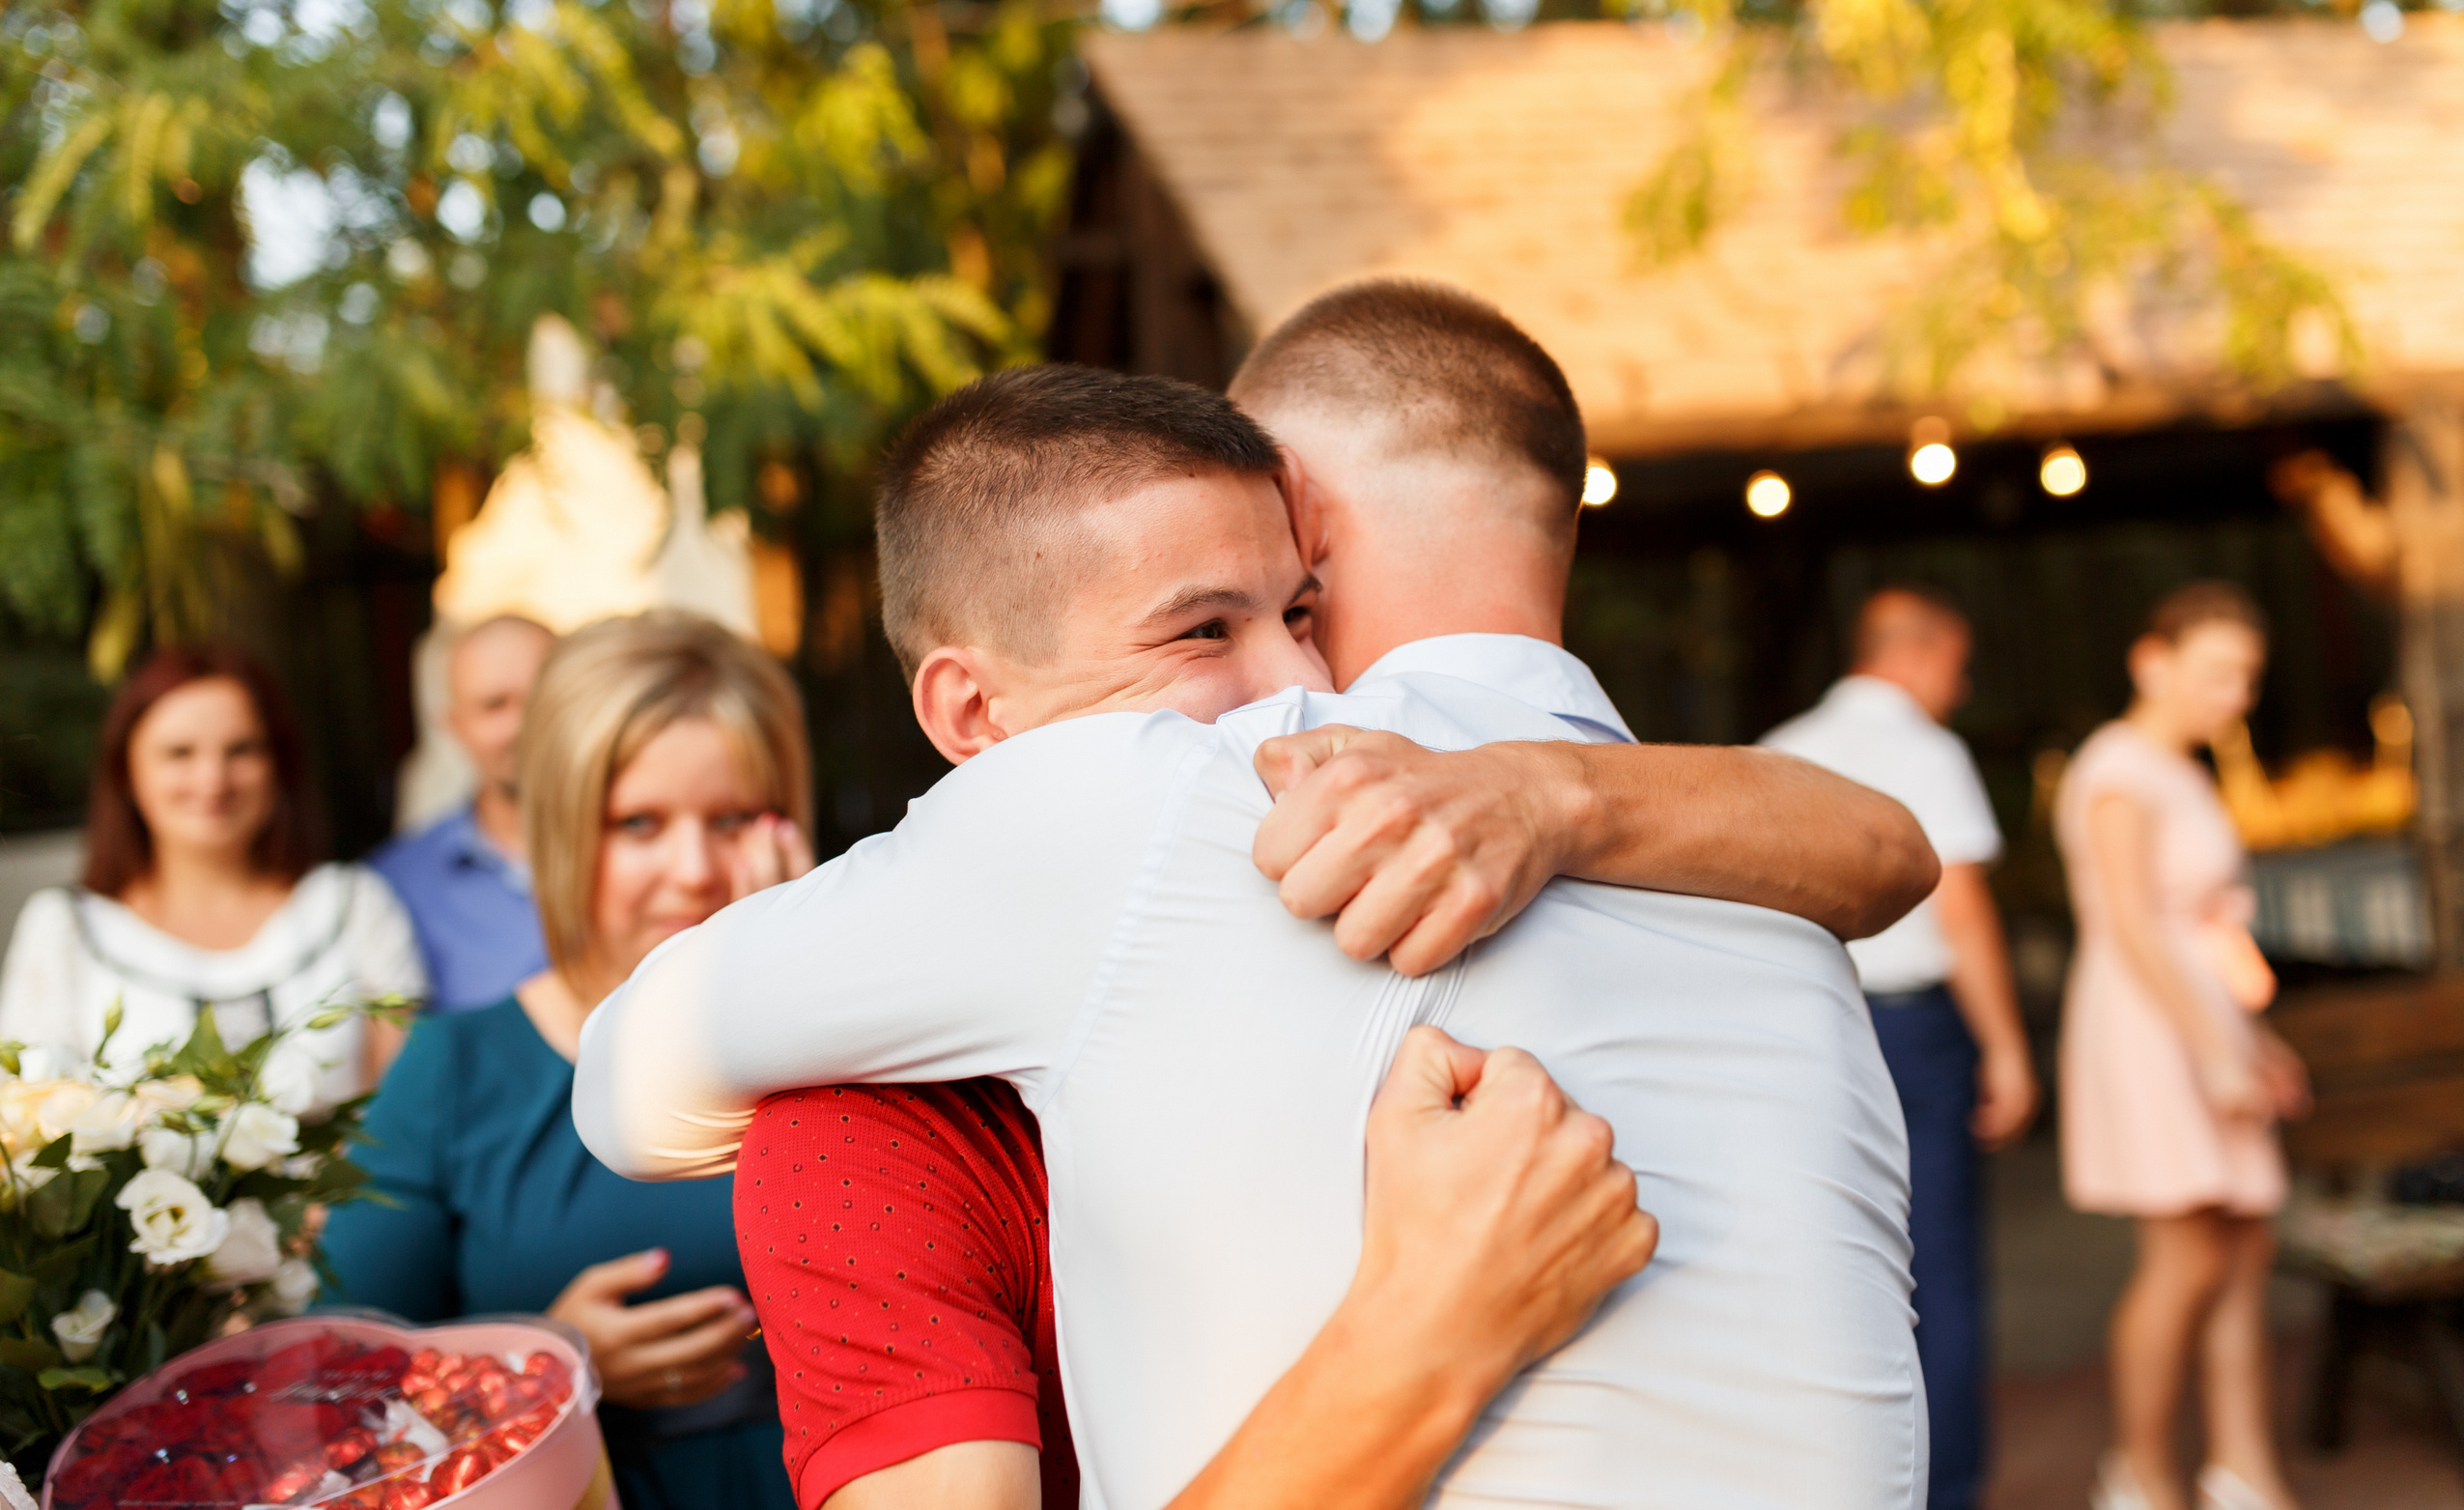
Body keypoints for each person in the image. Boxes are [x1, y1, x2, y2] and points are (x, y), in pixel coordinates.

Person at [582, 312, 1934, 1507]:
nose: (1296, 684)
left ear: (1307, 511)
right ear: (970, 707)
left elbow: (629, 1079)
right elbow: (1887, 850)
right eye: (1204, 628)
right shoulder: (1773, 898)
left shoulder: (1190, 797)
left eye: (1297, 608)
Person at [325, 612, 817, 1510]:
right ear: (562, 831)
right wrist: (540, 1367)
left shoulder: (853, 1048)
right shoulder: (457, 1070)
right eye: (638, 823)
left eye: (732, 818)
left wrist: (804, 1003)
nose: (694, 868)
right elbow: (330, 1390)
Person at [1761, 585, 2039, 1510]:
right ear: (1914, 655)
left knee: (1825, 1256)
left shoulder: (1777, 750)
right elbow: (1960, 908)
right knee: (1938, 1264)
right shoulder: (1926, 751)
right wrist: (2006, 1047)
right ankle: (1945, 1487)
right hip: (1914, 1032)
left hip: (1807, 1027)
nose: (1959, 690)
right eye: (1956, 668)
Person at [2055, 582, 2310, 1510]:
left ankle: (2242, 1469)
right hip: (2147, 1023)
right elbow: (2130, 923)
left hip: (2205, 1014)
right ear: (2151, 662)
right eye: (2216, 671)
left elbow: (2209, 933)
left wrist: (2256, 1037)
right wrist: (2213, 1050)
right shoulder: (2117, 768)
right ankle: (2140, 1471)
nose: (2234, 694)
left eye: (2246, 676)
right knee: (2186, 1254)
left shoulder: (2184, 769)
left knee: (2242, 1250)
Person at [0, 644, 420, 1105]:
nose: (213, 780)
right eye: (179, 753)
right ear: (126, 770)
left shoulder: (354, 904)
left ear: (279, 764)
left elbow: (409, 1112)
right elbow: (33, 1113)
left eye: (241, 750)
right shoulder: (66, 929)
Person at [370, 614, 556, 1011]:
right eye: (494, 705)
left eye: (540, 697)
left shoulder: (650, 845)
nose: (522, 724)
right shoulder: (396, 889)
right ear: (455, 725)